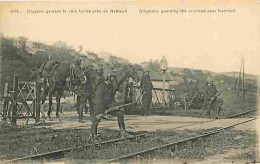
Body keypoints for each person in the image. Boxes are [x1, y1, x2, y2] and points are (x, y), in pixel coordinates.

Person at [91, 69, 132, 140]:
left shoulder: (110, 86)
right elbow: (99, 99)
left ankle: (123, 132)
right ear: (108, 77)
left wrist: (115, 106)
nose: (113, 79)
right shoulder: (101, 86)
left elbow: (111, 98)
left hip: (108, 106)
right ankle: (94, 136)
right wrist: (105, 109)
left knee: (120, 114)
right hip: (100, 106)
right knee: (96, 120)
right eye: (112, 77)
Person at [72, 58, 87, 123]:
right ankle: (80, 118)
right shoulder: (76, 68)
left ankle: (80, 114)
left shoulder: (78, 68)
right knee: (82, 102)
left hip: (79, 87)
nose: (81, 63)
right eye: (80, 62)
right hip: (80, 87)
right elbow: (81, 78)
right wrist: (84, 76)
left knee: (79, 101)